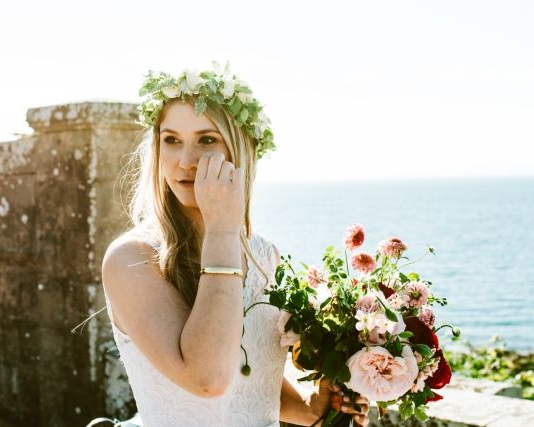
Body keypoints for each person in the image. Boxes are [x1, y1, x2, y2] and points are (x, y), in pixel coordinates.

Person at [101, 62, 370, 427]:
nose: (186, 160)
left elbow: (248, 385)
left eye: (207, 140)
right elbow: (208, 379)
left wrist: (314, 407)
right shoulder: (132, 258)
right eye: (172, 140)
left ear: (241, 151)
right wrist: (223, 232)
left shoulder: (263, 255)